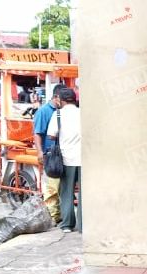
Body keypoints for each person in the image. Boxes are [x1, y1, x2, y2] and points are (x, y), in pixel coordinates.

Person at [47, 88, 81, 233]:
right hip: (84, 158)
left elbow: (51, 136)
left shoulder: (58, 114)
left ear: (62, 100)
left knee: (66, 191)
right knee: (85, 193)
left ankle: (67, 224)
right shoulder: (83, 113)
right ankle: (84, 225)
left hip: (66, 159)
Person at [34, 84, 65, 223]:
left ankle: (61, 215)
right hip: (50, 155)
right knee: (51, 187)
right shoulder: (44, 111)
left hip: (63, 154)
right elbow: (38, 134)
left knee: (62, 186)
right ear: (56, 97)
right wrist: (40, 152)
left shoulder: (64, 110)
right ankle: (54, 216)